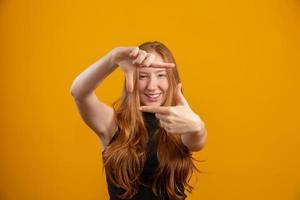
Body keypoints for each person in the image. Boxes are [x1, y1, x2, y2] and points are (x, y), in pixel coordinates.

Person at [70, 41, 207, 200]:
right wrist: (112, 58)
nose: (151, 86)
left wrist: (198, 126)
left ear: (172, 80)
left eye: (160, 75)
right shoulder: (112, 124)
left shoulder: (181, 124)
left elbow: (197, 141)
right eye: (143, 76)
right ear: (132, 79)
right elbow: (79, 93)